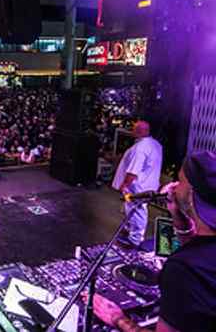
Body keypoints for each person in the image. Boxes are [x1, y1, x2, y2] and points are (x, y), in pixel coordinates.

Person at [89, 151, 216, 332]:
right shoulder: (197, 260)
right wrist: (176, 213)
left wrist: (118, 319)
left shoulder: (183, 268)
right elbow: (200, 251)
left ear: (191, 195)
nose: (173, 186)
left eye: (179, 181)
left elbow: (194, 261)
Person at [111, 120, 163, 247]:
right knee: (133, 208)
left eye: (134, 129)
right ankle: (129, 230)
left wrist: (124, 184)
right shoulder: (155, 144)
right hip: (148, 185)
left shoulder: (140, 148)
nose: (132, 131)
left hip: (137, 187)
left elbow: (133, 171)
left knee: (137, 209)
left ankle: (135, 239)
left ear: (139, 131)